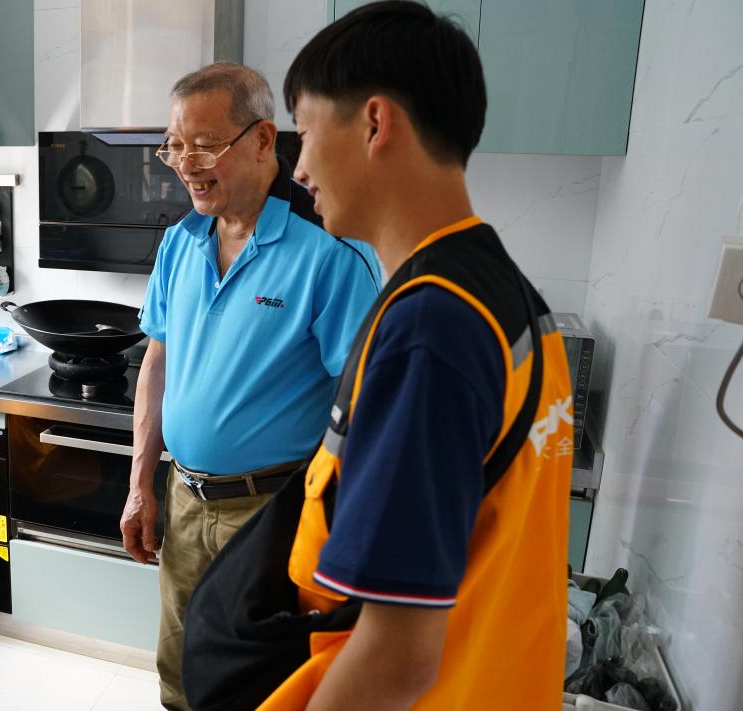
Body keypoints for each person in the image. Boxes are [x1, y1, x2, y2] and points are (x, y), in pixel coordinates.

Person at [180, 3, 575, 710]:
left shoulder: (431, 327)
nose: (300, 168)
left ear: (373, 123)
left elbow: (397, 658)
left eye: (307, 131)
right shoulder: (504, 293)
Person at [119, 62, 382, 710]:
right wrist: (140, 483)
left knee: (258, 685)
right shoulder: (180, 242)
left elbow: (367, 407)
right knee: (180, 674)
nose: (185, 164)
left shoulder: (329, 252)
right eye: (174, 146)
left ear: (264, 140)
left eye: (205, 145)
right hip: (183, 499)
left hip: (272, 512)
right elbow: (156, 363)